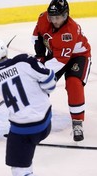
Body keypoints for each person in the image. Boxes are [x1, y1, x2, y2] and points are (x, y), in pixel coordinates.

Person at [0, 39, 65, 176]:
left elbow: (6, 79)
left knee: (19, 169)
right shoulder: (25, 61)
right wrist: (40, 87)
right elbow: (50, 81)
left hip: (24, 129)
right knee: (24, 151)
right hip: (45, 121)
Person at [32, 0, 92, 142]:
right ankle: (34, 120)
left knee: (73, 82)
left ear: (65, 15)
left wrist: (38, 71)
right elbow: (37, 36)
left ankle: (77, 123)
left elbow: (60, 62)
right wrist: (40, 57)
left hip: (78, 56)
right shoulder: (43, 18)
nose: (54, 21)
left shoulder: (70, 31)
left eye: (58, 17)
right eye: (52, 17)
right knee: (41, 85)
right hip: (58, 54)